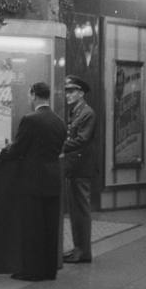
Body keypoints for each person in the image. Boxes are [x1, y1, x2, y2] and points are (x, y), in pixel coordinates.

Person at [0, 81, 67, 281]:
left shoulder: (30, 119)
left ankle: (32, 271)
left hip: (33, 180)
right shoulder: (59, 121)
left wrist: (3, 153)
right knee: (50, 227)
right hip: (53, 180)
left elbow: (18, 149)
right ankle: (49, 270)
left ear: (33, 95)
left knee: (33, 227)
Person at [61, 74, 96, 263]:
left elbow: (82, 139)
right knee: (75, 211)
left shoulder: (87, 112)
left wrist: (59, 146)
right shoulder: (76, 111)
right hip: (74, 167)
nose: (67, 94)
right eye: (66, 91)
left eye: (71, 91)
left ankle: (83, 251)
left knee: (81, 210)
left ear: (81, 93)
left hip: (81, 168)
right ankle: (78, 248)